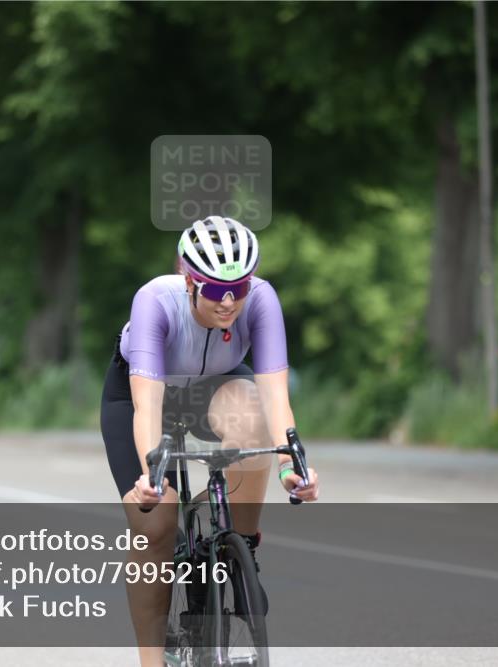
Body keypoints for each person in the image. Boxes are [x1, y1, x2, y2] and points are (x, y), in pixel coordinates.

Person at [100, 215, 320, 666]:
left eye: (238, 289)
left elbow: (277, 396)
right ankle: (151, 660)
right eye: (217, 291)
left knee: (252, 411)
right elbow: (147, 407)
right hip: (144, 391)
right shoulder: (154, 301)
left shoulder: (260, 299)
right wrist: (150, 476)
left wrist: (291, 467)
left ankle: (236, 542)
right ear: (188, 281)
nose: (229, 303)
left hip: (217, 384)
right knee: (155, 525)